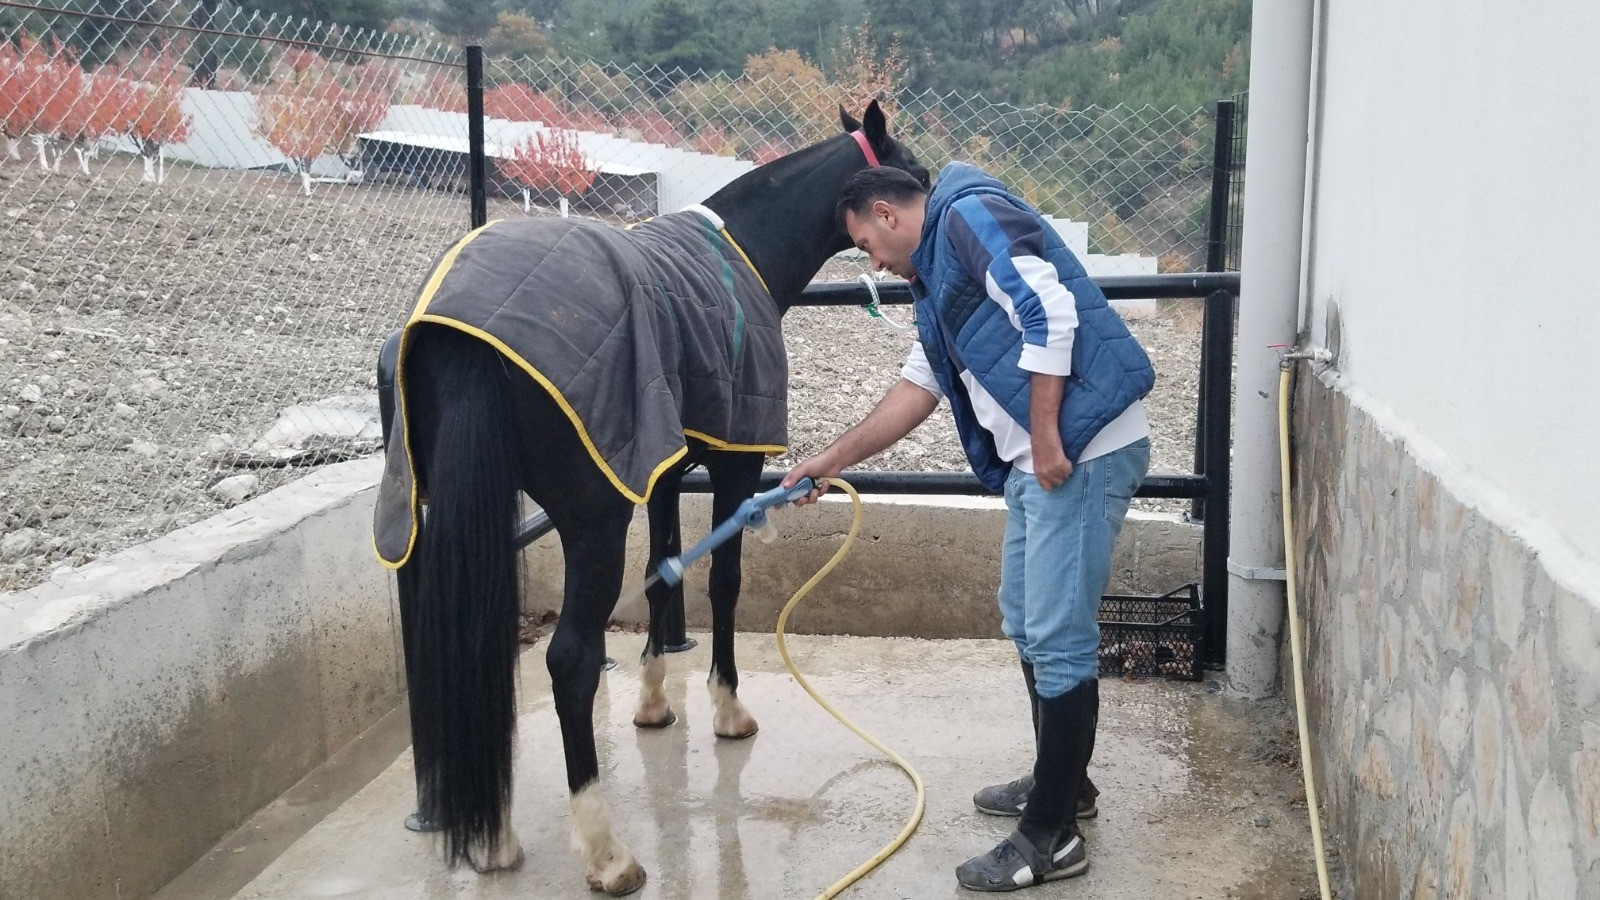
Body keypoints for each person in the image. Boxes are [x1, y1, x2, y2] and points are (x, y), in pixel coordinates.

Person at [782, 163, 1154, 890]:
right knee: (1027, 621)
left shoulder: (968, 214)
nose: (872, 262)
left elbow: (1050, 310)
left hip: (1080, 452)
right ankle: (1064, 784)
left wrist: (1046, 437)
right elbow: (917, 389)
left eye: (865, 244)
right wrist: (826, 461)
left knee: (1056, 636)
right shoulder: (934, 281)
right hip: (1042, 464)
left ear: (886, 214)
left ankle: (1052, 836)